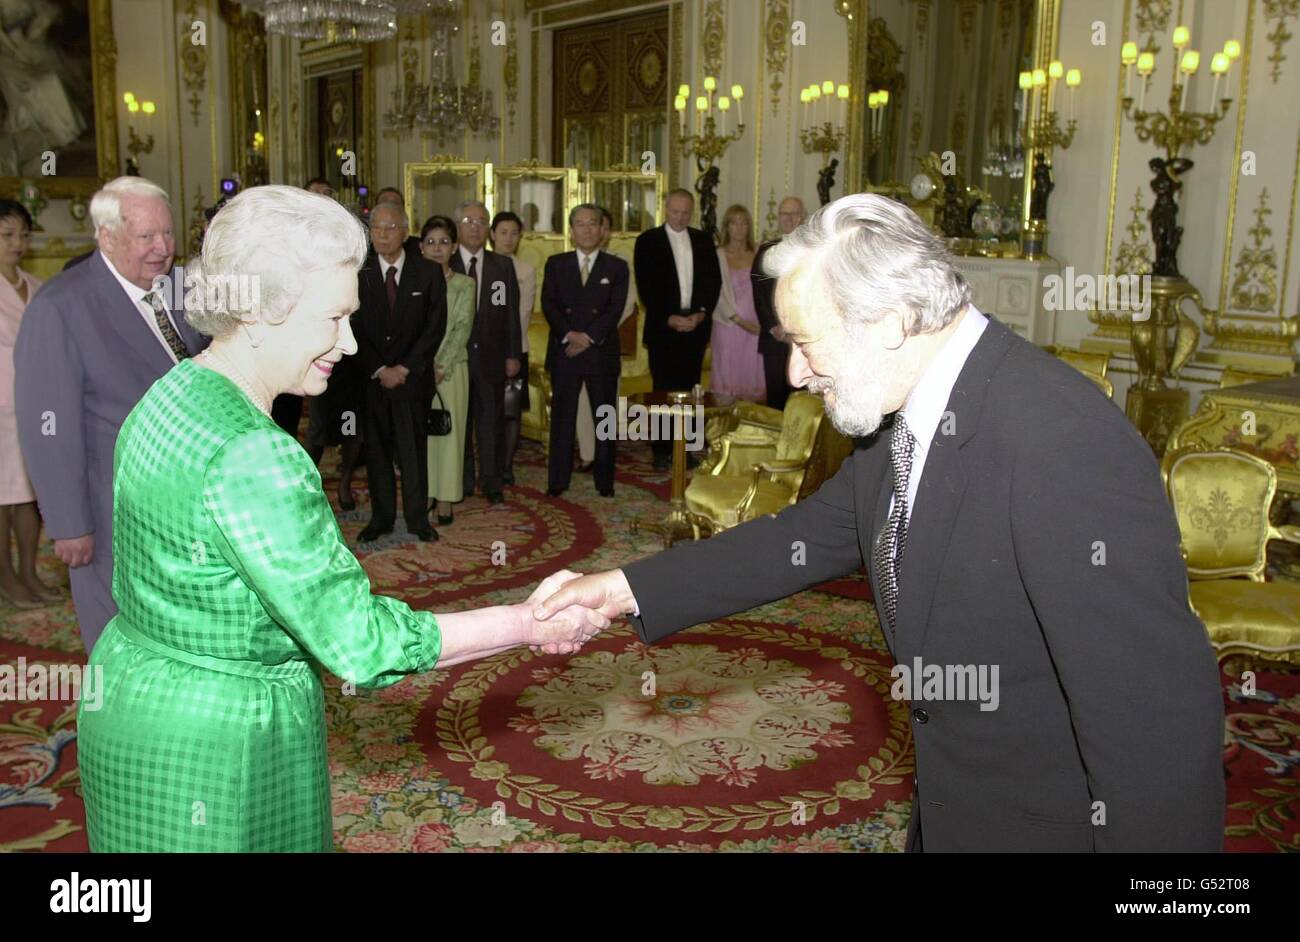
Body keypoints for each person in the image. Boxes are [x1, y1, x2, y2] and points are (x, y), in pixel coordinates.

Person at [535, 193, 1225, 853]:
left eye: (807, 342)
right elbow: (800, 541)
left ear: (892, 320)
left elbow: (1156, 733)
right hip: (952, 813)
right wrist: (618, 589)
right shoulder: (906, 420)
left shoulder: (1064, 442)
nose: (798, 373)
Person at [74, 185, 608, 852]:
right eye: (332, 319)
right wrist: (527, 622)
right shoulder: (258, 456)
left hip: (126, 702)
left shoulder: (169, 390)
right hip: (221, 747)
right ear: (264, 308)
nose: (349, 341)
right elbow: (361, 643)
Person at [14, 176, 209, 651]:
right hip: (111, 511)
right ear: (106, 236)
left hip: (185, 503)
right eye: (147, 237)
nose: (163, 248)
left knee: (178, 631)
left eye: (167, 233)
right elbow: (48, 426)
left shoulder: (182, 288)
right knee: (118, 639)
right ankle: (118, 724)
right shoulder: (61, 306)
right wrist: (68, 522)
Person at [351, 202, 445, 544]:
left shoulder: (428, 272)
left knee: (413, 452)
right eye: (376, 229)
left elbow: (435, 327)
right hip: (373, 381)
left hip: (412, 380)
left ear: (405, 232)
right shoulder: (358, 273)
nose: (383, 235)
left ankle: (419, 519)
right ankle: (382, 518)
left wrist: (405, 367)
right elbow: (353, 326)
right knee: (375, 452)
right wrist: (379, 368)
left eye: (391, 228)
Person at [542, 204, 629, 500]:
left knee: (604, 419)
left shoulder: (617, 267)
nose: (587, 229)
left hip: (600, 353)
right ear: (571, 230)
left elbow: (614, 310)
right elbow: (549, 305)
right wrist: (570, 335)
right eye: (580, 224)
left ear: (603, 230)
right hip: (565, 352)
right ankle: (557, 480)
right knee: (562, 419)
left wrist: (588, 338)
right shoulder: (556, 263)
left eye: (593, 223)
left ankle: (605, 481)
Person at [633, 189, 721, 469]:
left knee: (691, 390)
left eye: (686, 212)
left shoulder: (703, 240)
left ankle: (689, 448)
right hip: (663, 327)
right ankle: (661, 450)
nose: (680, 217)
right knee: (663, 391)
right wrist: (668, 317)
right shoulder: (648, 241)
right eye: (675, 211)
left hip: (695, 326)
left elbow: (712, 282)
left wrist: (701, 314)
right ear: (665, 209)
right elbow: (646, 285)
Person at [0, 199, 58, 608]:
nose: (17, 243)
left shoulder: (37, 287)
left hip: (31, 404)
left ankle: (28, 572)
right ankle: (6, 578)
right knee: (1, 497)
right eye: (7, 235)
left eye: (23, 234)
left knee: (28, 493)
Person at [450, 200, 521, 504]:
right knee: (459, 423)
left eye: (481, 221)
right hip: (455, 358)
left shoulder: (501, 266)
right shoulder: (444, 263)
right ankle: (462, 480)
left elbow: (510, 314)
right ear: (458, 227)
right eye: (469, 221)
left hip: (492, 356)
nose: (475, 227)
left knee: (491, 422)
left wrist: (513, 354)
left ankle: (491, 481)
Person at [420, 215, 475, 526]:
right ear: (420, 247)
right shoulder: (414, 282)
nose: (437, 248)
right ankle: (425, 494)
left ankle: (445, 500)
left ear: (454, 247)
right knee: (423, 438)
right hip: (418, 372)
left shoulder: (465, 284)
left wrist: (440, 367)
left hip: (452, 371)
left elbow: (462, 328)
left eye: (443, 242)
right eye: (430, 242)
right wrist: (422, 365)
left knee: (449, 437)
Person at [489, 210, 535, 486]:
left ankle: (506, 465)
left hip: (514, 347)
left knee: (510, 409)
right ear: (492, 234)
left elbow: (522, 313)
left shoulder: (525, 270)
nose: (508, 238)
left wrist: (512, 351)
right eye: (503, 232)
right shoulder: (479, 263)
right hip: (481, 349)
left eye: (514, 233)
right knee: (484, 410)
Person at [752, 196, 807, 410]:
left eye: (794, 214)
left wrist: (796, 329)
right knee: (775, 400)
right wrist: (773, 326)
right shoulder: (767, 250)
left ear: (802, 217)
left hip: (804, 339)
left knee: (802, 401)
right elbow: (759, 294)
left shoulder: (812, 250)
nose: (789, 219)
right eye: (785, 214)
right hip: (774, 338)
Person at [709, 204, 766, 401]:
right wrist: (740, 321)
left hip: (756, 328)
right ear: (727, 226)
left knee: (752, 383)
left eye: (744, 223)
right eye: (734, 223)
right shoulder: (717, 255)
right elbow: (715, 294)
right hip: (728, 325)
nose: (739, 228)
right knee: (727, 384)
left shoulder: (759, 252)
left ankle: (749, 428)